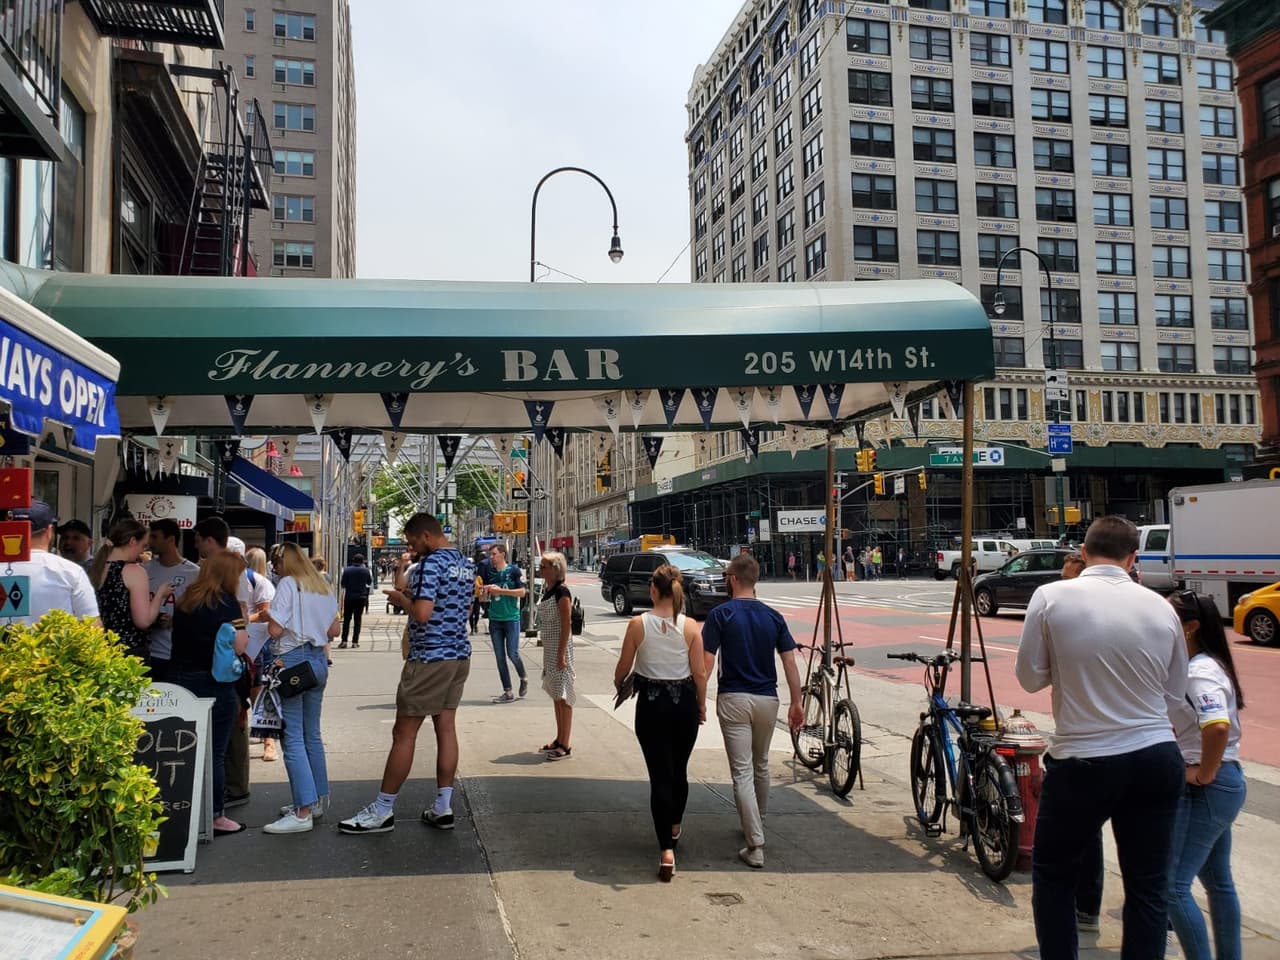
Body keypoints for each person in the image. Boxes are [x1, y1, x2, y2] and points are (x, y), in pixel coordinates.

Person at [1015, 516, 1187, 960]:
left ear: (1084, 551)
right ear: (1133, 559)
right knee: (1149, 886)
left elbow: (1029, 678)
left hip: (1083, 757)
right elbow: (1174, 694)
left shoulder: (1051, 596)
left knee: (1055, 875)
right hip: (1155, 754)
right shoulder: (1161, 608)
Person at [339, 514, 475, 835]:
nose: (413, 549)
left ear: (426, 535)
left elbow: (423, 613)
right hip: (458, 653)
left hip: (429, 656)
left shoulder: (431, 565)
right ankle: (443, 805)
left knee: (404, 733)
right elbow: (467, 609)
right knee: (446, 727)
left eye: (413, 542)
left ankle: (382, 810)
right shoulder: (464, 564)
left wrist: (401, 599)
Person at [700, 555, 803, 869]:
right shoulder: (773, 616)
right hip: (767, 699)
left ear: (733, 579)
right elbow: (789, 661)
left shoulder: (720, 614)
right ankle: (756, 821)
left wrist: (698, 698)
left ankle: (755, 844)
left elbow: (706, 663)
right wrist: (797, 702)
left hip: (733, 698)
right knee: (761, 764)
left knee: (742, 772)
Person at [613, 563, 707, 882]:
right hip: (684, 705)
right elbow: (700, 673)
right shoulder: (691, 626)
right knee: (679, 771)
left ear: (653, 590)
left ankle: (666, 850)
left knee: (659, 776)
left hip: (652, 706)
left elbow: (623, 667)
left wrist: (619, 684)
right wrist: (701, 705)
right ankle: (675, 826)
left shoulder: (638, 624)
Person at [1166, 591, 1247, 960]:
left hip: (1208, 787)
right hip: (1221, 783)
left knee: (1172, 887)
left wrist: (1203, 773)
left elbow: (1216, 726)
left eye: (1169, 618)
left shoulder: (1198, 673)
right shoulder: (1200, 666)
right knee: (1217, 881)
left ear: (1191, 627)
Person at [170, 550, 250, 836]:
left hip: (181, 677)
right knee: (215, 752)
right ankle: (215, 815)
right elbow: (240, 645)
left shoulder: (186, 600)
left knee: (185, 749)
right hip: (215, 681)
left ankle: (182, 810)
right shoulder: (227, 604)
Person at [262, 543, 340, 834]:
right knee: (312, 734)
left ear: (286, 563)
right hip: (318, 659)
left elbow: (275, 630)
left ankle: (302, 811)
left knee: (291, 736)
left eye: (277, 562)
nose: (275, 568)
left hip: (293, 659)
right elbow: (334, 630)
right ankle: (316, 800)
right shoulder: (321, 585)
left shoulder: (287, 585)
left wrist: (270, 619)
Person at [90, 518, 171, 662]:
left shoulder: (97, 568)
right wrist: (160, 594)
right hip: (130, 652)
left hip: (101, 650)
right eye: (143, 545)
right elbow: (143, 621)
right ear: (133, 541)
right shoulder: (134, 571)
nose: (142, 551)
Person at [7, 501, 100, 626]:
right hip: (56, 639)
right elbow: (92, 626)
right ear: (49, 531)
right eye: (65, 537)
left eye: (76, 538)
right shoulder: (71, 572)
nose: (68, 542)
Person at [145, 519, 200, 682]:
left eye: (155, 537)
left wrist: (176, 621)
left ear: (170, 539)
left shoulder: (194, 573)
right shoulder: (144, 570)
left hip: (179, 655)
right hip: (150, 652)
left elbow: (199, 613)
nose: (150, 542)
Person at [243, 547, 279, 762]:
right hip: (237, 644)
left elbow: (266, 613)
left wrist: (244, 620)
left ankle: (269, 741)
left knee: (258, 692)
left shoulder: (258, 582)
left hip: (256, 643)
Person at [537, 551, 574, 758]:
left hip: (560, 649)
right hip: (550, 649)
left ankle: (565, 744)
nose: (541, 570)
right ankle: (559, 738)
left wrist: (561, 654)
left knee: (564, 696)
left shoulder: (562, 592)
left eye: (544, 566)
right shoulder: (548, 590)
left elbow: (566, 623)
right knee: (556, 695)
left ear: (555, 570)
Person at [485, 544, 528, 703]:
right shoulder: (490, 573)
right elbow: (485, 598)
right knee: (500, 657)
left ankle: (523, 677)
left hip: (511, 618)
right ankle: (508, 691)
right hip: (495, 619)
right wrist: (483, 592)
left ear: (503, 554)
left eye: (494, 554)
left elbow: (522, 592)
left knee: (512, 653)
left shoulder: (514, 571)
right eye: (490, 554)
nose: (491, 557)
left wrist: (501, 591)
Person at [338, 553, 373, 648]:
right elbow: (369, 582)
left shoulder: (347, 570)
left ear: (353, 560)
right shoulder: (366, 570)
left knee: (347, 619)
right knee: (357, 620)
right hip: (361, 597)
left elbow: (343, 584)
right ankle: (355, 642)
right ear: (362, 561)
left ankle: (344, 641)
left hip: (349, 597)